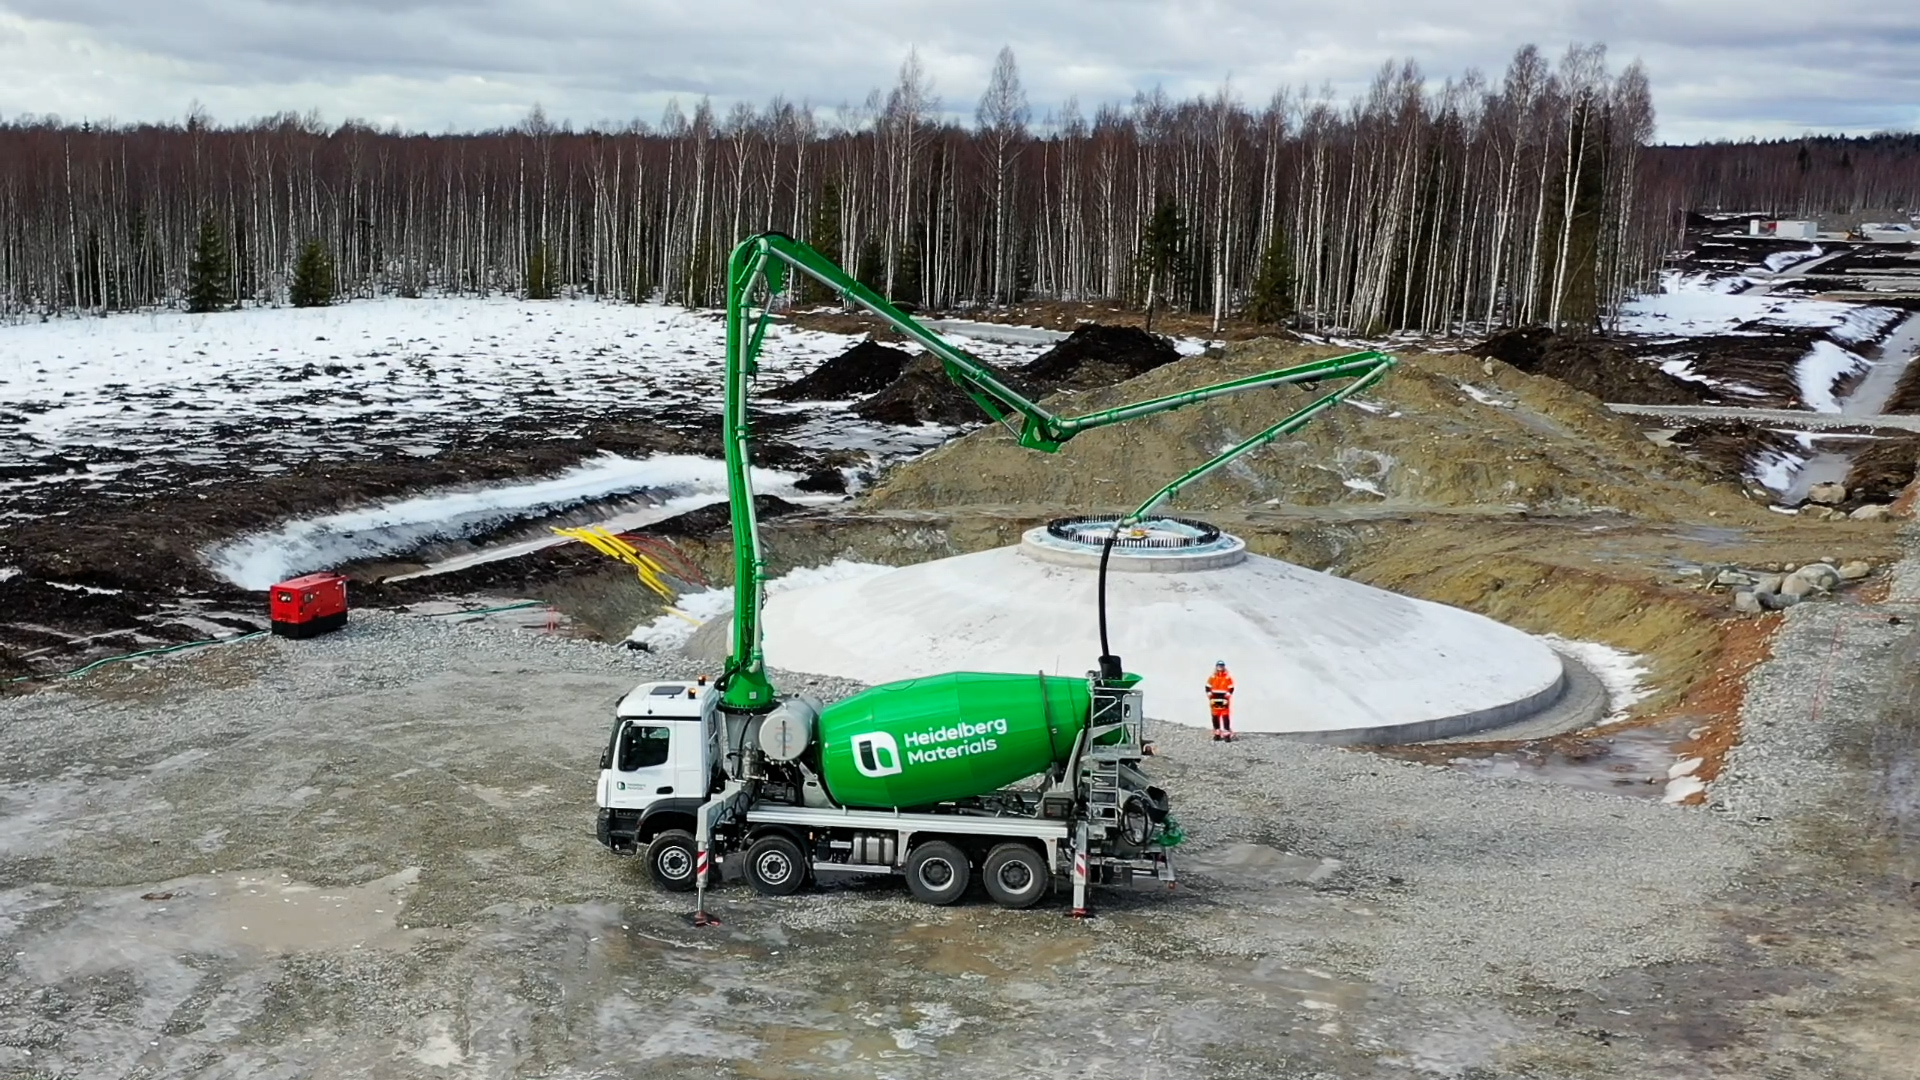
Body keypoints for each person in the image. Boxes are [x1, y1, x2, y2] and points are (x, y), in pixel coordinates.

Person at [1206, 661, 1235, 741]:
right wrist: (1209, 693)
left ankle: (1226, 734)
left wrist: (1229, 693)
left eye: (1221, 666)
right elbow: (1208, 686)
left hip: (1224, 698)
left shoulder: (1227, 677)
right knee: (1215, 716)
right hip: (1214, 698)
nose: (1220, 667)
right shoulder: (1212, 677)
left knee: (1225, 715)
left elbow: (1231, 687)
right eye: (1219, 666)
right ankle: (1217, 733)